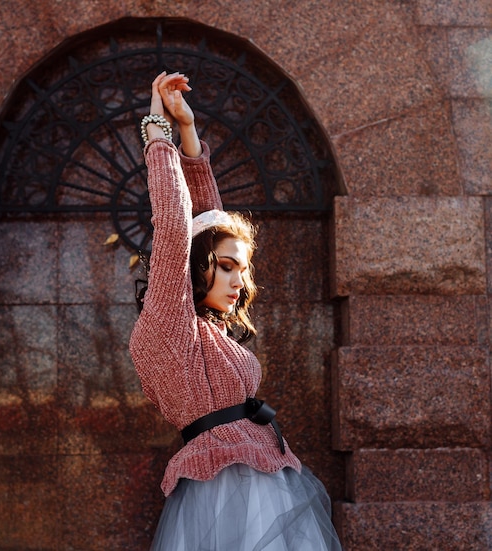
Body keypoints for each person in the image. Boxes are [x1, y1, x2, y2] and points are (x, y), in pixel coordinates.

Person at [129, 71, 342, 551]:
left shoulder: (211, 329)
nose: (238, 282)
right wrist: (156, 135)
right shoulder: (170, 326)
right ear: (196, 265)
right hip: (222, 488)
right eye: (226, 268)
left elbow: (208, 221)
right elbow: (178, 223)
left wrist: (188, 133)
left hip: (260, 478)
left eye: (242, 270)